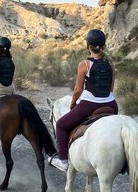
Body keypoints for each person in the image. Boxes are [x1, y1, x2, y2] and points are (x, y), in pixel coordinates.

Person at [49, 29, 118, 172]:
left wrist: (73, 103)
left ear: (88, 46)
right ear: (103, 46)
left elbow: (77, 90)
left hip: (90, 105)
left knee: (61, 125)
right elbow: (111, 88)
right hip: (111, 104)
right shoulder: (111, 63)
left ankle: (63, 161)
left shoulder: (84, 64)